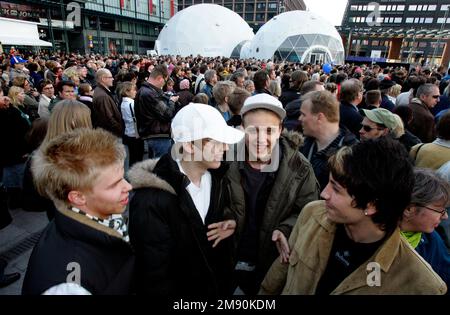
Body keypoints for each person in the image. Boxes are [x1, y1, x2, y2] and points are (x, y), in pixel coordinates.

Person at [260, 137, 446, 295]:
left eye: (336, 189)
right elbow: (278, 275)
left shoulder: (420, 284)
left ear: (372, 205)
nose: (324, 194)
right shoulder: (312, 213)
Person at [128, 103, 244, 295]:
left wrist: (229, 218)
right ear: (189, 146)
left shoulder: (219, 178)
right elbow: (155, 276)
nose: (225, 148)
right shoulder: (149, 201)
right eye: (216, 141)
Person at [225, 93, 320, 295]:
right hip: (227, 259)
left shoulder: (300, 167)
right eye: (253, 130)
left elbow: (307, 211)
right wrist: (226, 217)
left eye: (269, 130)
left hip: (269, 264)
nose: (261, 139)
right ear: (242, 128)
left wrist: (285, 229)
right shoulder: (223, 159)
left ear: (280, 131)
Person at [22, 128, 134, 295]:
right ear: (78, 197)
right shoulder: (69, 287)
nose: (128, 187)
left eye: (123, 178)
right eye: (114, 184)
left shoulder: (91, 218)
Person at [22, 100, 93, 220]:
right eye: (87, 119)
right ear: (76, 122)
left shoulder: (38, 157)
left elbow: (35, 202)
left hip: (60, 219)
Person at [400, 168, 450, 291]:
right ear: (409, 209)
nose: (445, 216)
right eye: (440, 210)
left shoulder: (431, 238)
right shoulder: (373, 237)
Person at [299, 90, 358, 191]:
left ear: (319, 117)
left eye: (303, 114)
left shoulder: (352, 154)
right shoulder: (301, 145)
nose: (300, 119)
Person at [134, 64, 178, 158]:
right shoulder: (150, 93)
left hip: (154, 134)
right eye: (165, 81)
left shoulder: (144, 90)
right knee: (162, 166)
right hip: (158, 136)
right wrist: (171, 101)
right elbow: (167, 114)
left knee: (157, 165)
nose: (164, 84)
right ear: (159, 78)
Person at [91, 68, 124, 138]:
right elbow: (108, 118)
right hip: (111, 134)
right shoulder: (102, 96)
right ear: (103, 79)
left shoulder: (101, 91)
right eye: (110, 77)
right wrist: (120, 129)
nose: (113, 79)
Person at [119, 81, 144, 167]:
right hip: (135, 133)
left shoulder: (122, 103)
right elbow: (137, 117)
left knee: (133, 156)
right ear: (127, 91)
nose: (135, 92)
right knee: (137, 157)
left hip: (129, 132)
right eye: (133, 90)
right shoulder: (131, 103)